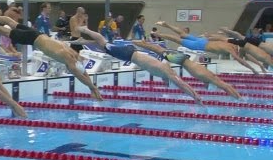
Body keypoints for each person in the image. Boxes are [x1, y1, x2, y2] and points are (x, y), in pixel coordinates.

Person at [0, 12, 103, 101]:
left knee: (10, 22)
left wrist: (92, 86)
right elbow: (81, 75)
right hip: (33, 40)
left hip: (37, 34)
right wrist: (92, 88)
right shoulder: (71, 62)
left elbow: (84, 73)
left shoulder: (72, 53)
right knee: (3, 30)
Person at [70, 25, 202, 104]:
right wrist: (195, 96)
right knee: (103, 43)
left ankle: (84, 39)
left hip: (131, 53)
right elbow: (182, 84)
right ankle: (86, 31)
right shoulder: (167, 71)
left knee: (105, 45)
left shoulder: (164, 69)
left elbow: (171, 79)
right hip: (130, 54)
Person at [132, 40, 241, 99]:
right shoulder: (209, 77)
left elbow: (225, 86)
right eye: (207, 86)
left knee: (160, 51)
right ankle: (143, 43)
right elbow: (226, 86)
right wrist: (239, 98)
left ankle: (144, 44)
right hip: (181, 60)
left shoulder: (207, 76)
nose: (205, 86)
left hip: (183, 60)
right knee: (160, 50)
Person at [154, 21, 259, 74]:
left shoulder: (231, 43)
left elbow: (217, 37)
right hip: (200, 45)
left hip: (203, 41)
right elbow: (242, 61)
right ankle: (159, 35)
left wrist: (207, 35)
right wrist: (252, 69)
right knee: (177, 39)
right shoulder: (231, 50)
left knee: (182, 34)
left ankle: (166, 24)